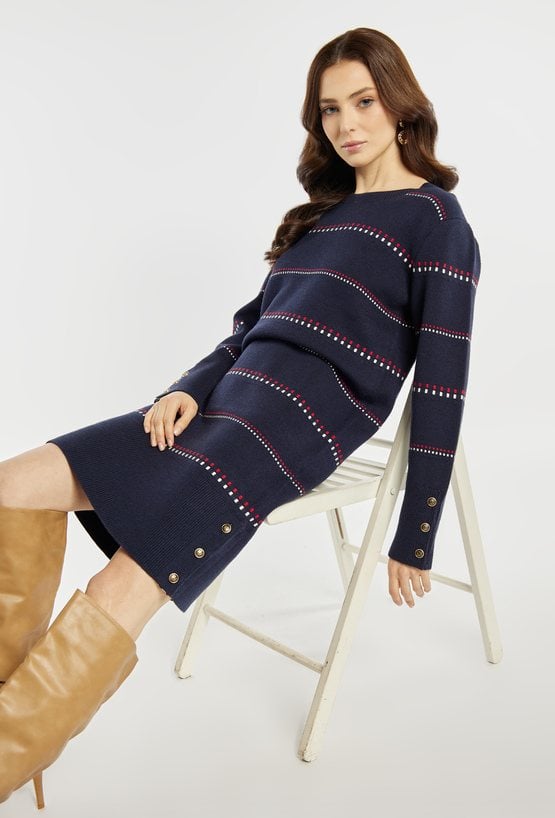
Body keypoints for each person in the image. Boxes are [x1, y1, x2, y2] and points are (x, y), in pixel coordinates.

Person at [0, 26, 481, 807]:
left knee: (123, 583)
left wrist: (416, 532)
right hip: (222, 405)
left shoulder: (435, 221)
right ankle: (15, 729)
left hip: (283, 433)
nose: (346, 123)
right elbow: (250, 329)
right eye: (329, 109)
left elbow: (443, 384)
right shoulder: (321, 218)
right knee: (13, 487)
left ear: (400, 105)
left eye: (363, 101)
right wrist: (186, 388)